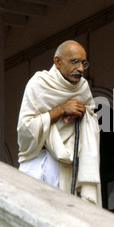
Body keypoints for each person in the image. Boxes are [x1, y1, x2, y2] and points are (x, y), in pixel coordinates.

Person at [17, 40, 101, 206]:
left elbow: (92, 121)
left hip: (71, 170)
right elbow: (24, 131)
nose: (81, 69)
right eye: (74, 62)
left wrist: (82, 114)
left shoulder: (83, 88)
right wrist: (61, 110)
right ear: (58, 62)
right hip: (38, 165)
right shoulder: (39, 84)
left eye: (84, 63)